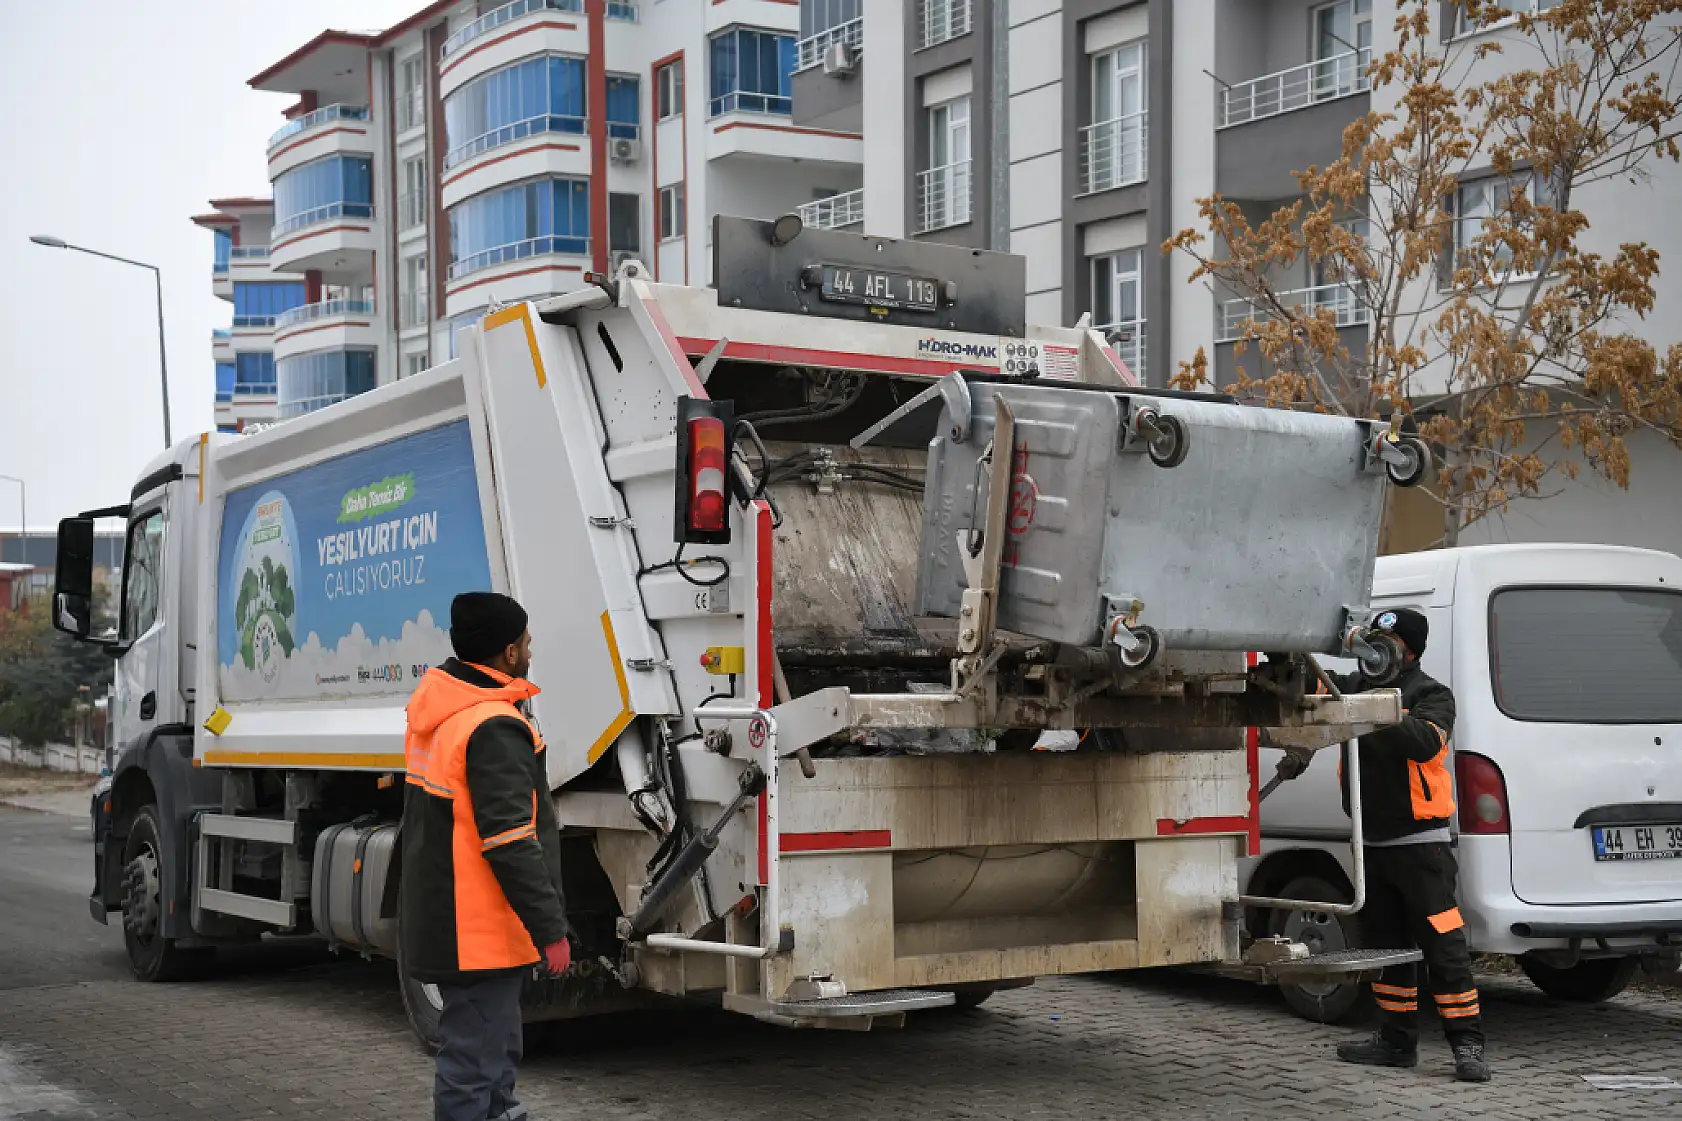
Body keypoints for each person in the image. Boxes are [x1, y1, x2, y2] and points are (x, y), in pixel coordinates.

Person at [401, 591, 573, 1121]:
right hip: (476, 932)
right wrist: (551, 929)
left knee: (493, 1055)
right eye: (525, 641)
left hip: (461, 921)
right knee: (475, 1064)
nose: (530, 649)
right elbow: (509, 840)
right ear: (509, 654)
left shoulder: (445, 712)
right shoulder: (492, 726)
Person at [1326, 607, 1490, 1083]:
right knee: (1387, 948)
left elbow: (1424, 742)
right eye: (1371, 643)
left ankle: (1468, 1045)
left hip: (1423, 850)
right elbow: (1306, 695)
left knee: (1444, 948)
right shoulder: (1352, 688)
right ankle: (1397, 1043)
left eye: (1387, 646)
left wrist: (1372, 708)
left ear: (1411, 651)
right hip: (1372, 845)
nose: (1375, 654)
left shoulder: (1431, 695)